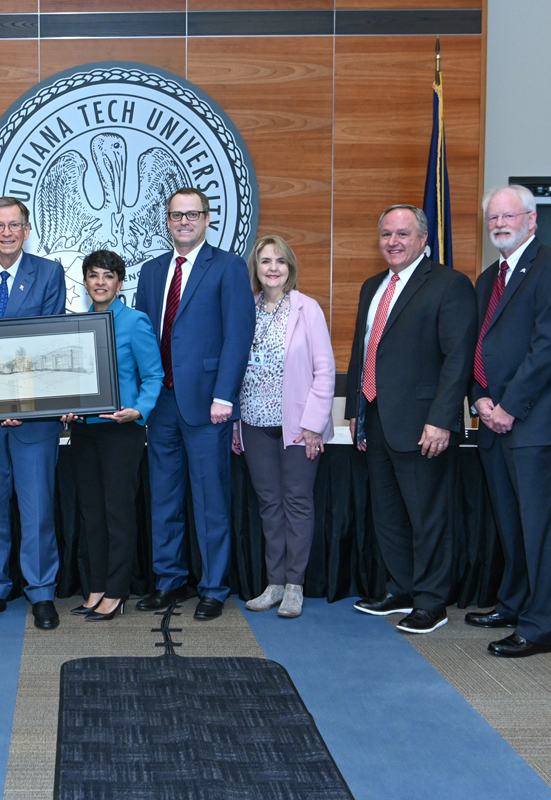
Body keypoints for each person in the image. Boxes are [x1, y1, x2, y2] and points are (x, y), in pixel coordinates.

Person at [345, 204, 476, 634]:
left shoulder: (449, 284)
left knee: (428, 517)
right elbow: (363, 350)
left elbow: (458, 359)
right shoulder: (372, 287)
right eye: (386, 234)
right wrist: (355, 412)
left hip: (424, 425)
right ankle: (399, 589)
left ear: (424, 239)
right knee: (388, 514)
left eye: (403, 234)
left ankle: (431, 601)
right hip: (378, 418)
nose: (393, 242)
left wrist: (441, 419)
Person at [466, 185, 551, 657]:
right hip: (493, 419)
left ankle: (537, 628)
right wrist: (480, 399)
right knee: (510, 525)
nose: (499, 224)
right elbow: (479, 348)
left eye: (508, 216)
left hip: (534, 421)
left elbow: (549, 346)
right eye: (493, 218)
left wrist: (509, 406)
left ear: (532, 220)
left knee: (540, 529)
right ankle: (512, 602)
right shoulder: (489, 276)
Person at [133, 187, 255, 620]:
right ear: (166, 221)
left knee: (210, 499)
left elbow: (238, 337)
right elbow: (141, 339)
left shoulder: (228, 267)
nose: (183, 221)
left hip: (208, 404)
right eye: (176, 215)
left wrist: (225, 395)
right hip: (161, 403)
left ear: (207, 219)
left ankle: (213, 586)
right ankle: (169, 581)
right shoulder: (150, 272)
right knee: (164, 497)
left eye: (192, 214)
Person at [0, 196, 67, 630]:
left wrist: (24, 401)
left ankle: (41, 592)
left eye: (15, 225)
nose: (6, 232)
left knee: (38, 508)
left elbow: (49, 336)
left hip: (33, 418)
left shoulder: (49, 272)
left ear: (27, 230)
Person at [232, 235, 335, 619]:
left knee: (297, 503)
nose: (272, 267)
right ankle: (274, 583)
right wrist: (235, 426)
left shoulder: (307, 309)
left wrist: (313, 426)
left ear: (289, 267)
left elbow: (324, 371)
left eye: (279, 261)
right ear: (255, 270)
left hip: (296, 427)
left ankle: (295, 585)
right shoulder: (248, 308)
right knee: (269, 506)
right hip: (254, 423)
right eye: (264, 261)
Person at [61, 250, 163, 621]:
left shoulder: (135, 322)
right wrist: (65, 407)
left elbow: (153, 376)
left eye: (108, 275)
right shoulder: (77, 323)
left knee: (117, 513)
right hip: (85, 432)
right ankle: (97, 587)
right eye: (93, 275)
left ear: (120, 283)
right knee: (91, 513)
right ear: (85, 282)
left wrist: (140, 409)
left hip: (122, 432)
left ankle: (116, 593)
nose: (100, 282)